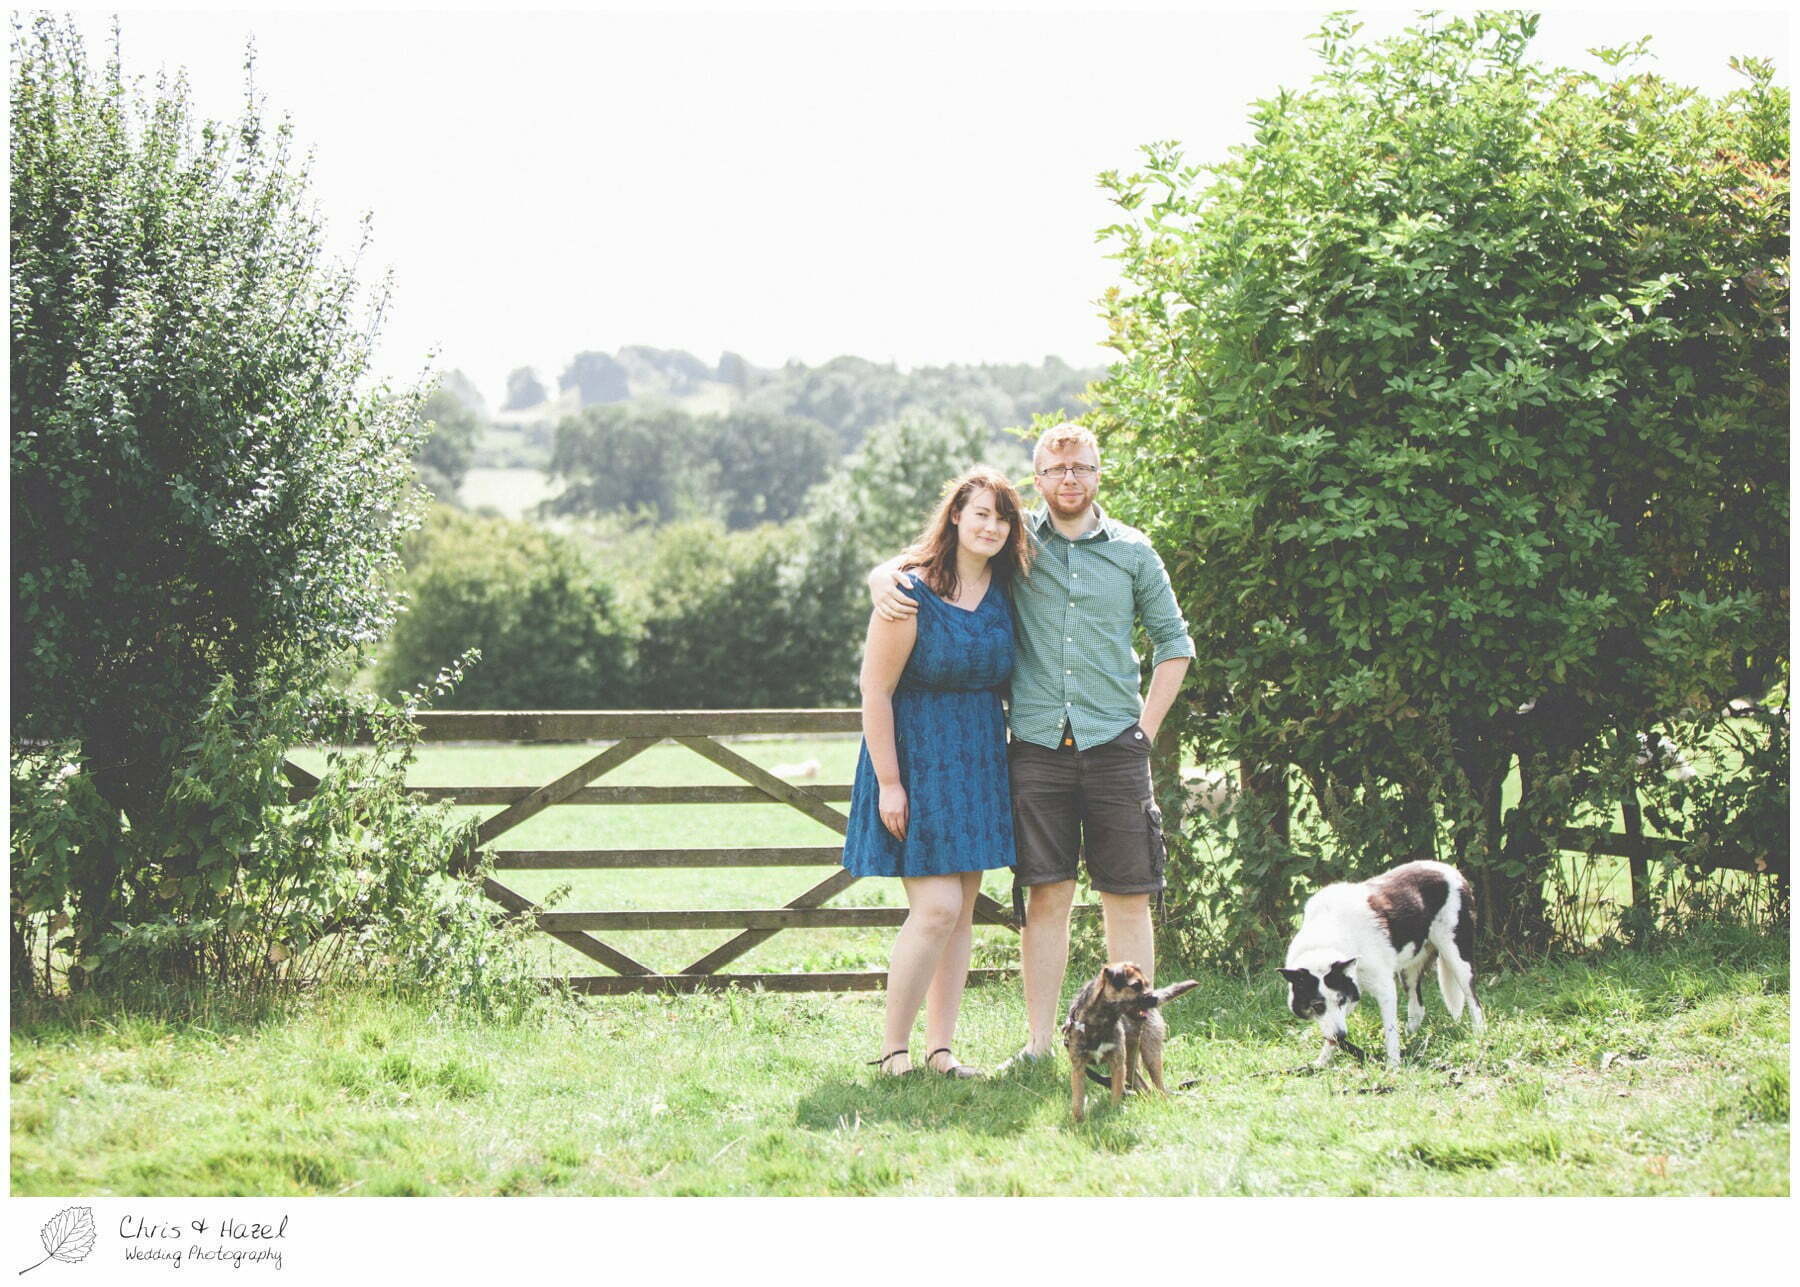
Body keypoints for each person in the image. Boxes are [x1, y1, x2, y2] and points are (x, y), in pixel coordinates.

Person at [869, 423, 1193, 1069]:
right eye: (1055, 468)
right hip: (1037, 746)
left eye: (1081, 467)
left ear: (1099, 474)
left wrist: (1144, 732)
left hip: (1114, 744)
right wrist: (879, 574)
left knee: (1127, 896)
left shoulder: (1133, 551)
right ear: (1038, 477)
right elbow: (940, 555)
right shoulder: (1018, 545)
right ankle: (1044, 1042)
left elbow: (1175, 644)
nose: (1069, 478)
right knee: (1046, 894)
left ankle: (1137, 1036)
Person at [841, 466, 1034, 1078]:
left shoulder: (1008, 592)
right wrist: (891, 783)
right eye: (980, 513)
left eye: (1002, 518)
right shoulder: (908, 590)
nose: (991, 527)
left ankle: (941, 1050)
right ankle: (894, 1050)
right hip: (914, 758)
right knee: (937, 908)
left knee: (960, 915)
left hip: (978, 759)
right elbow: (875, 691)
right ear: (956, 515)